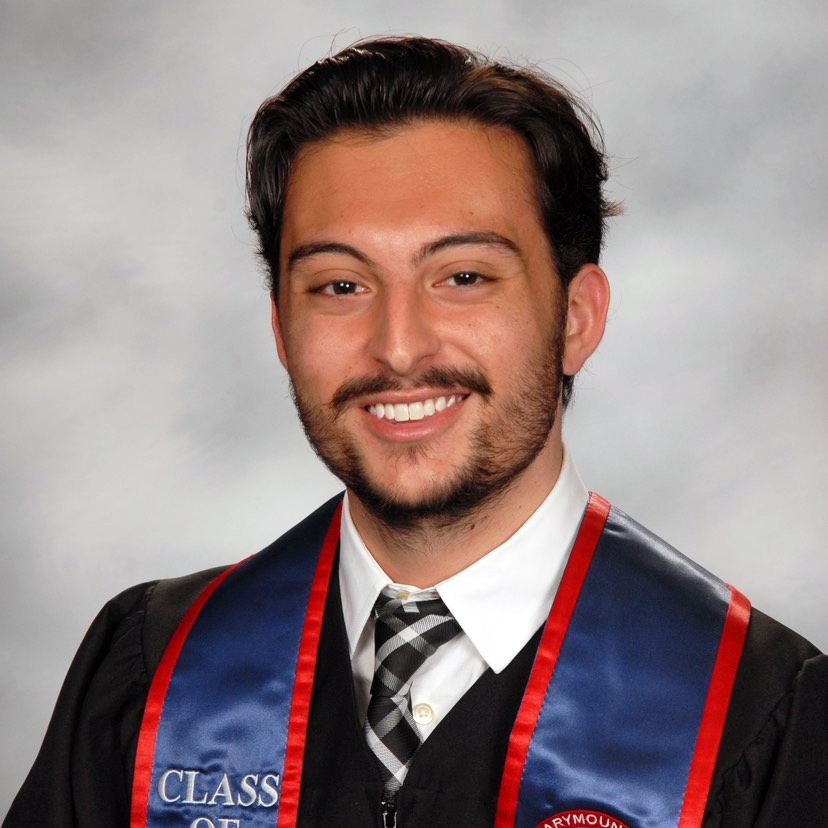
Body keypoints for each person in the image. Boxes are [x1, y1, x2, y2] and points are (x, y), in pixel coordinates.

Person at [5, 36, 827, 828]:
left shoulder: (757, 712)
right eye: (339, 285)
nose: (398, 347)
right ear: (282, 331)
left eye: (463, 277)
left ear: (576, 317)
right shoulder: (155, 675)